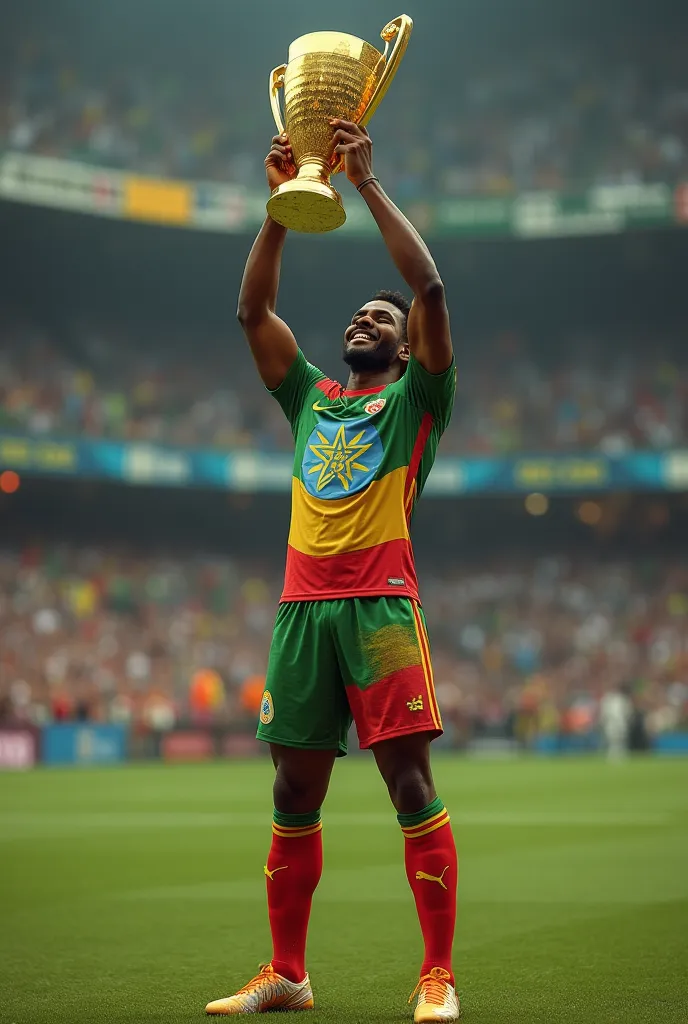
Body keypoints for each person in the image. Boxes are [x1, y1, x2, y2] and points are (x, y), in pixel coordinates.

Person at [205, 121, 459, 1022]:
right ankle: (288, 974)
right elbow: (250, 314)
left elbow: (428, 284)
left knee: (410, 787)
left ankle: (437, 977)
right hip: (301, 612)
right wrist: (282, 206)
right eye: (357, 313)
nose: (365, 319)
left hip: (383, 611)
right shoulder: (310, 397)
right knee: (291, 789)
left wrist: (366, 183)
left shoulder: (417, 399)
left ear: (404, 345)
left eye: (379, 319)